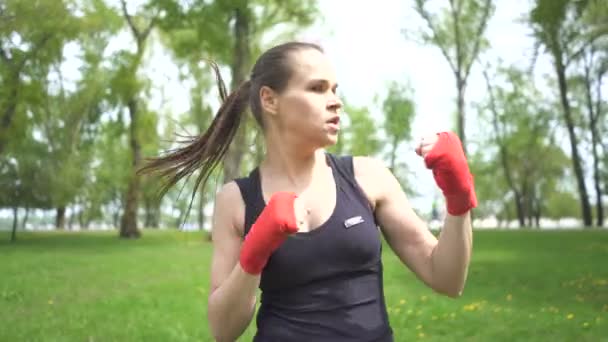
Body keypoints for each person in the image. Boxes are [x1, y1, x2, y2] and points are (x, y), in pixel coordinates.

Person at [138, 41, 477, 342]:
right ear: (270, 100)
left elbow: (446, 278)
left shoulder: (367, 177)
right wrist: (255, 252)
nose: (336, 102)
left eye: (335, 89)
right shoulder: (236, 200)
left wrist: (459, 199)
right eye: (317, 89)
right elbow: (222, 330)